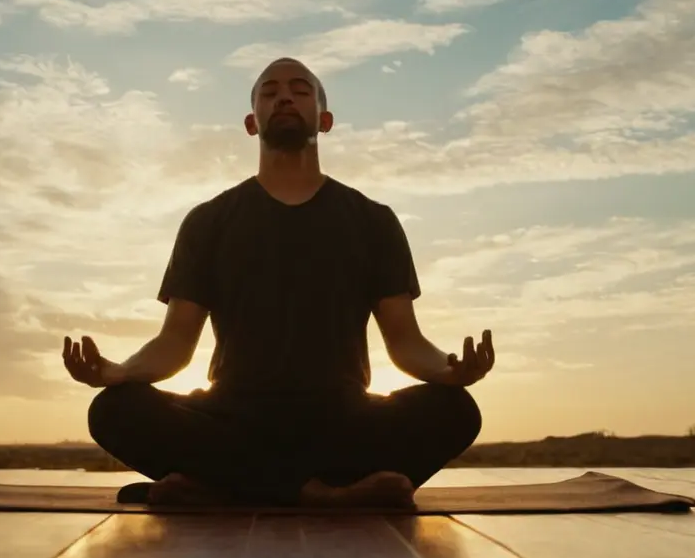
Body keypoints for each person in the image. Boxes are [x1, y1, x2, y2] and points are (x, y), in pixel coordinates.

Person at [61, 57, 495, 508]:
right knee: (113, 409)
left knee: (455, 410)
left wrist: (450, 371)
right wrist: (120, 372)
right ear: (252, 123)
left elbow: (406, 343)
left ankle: (228, 486)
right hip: (233, 416)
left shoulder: (374, 221)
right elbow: (174, 342)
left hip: (342, 417)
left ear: (324, 120)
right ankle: (318, 492)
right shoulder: (208, 221)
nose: (284, 96)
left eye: (300, 90)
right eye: (269, 92)